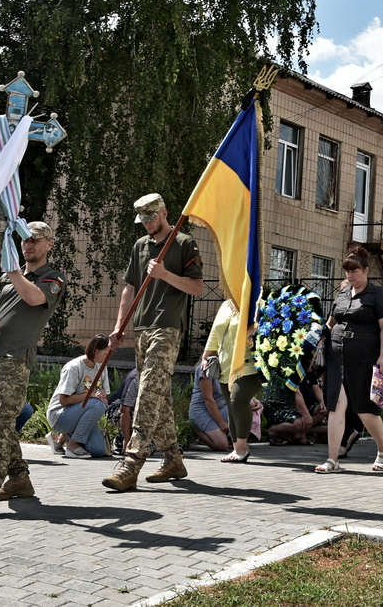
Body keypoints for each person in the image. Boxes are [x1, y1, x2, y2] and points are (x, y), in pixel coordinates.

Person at [102, 193, 204, 491]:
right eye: (143, 220)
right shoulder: (140, 246)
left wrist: (164, 274)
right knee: (161, 396)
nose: (147, 224)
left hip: (168, 328)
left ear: (164, 213)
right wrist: (119, 326)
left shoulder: (184, 243)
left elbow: (197, 288)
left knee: (147, 392)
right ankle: (173, 459)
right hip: (142, 328)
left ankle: (131, 462)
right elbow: (129, 288)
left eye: (150, 218)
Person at [0, 221, 66, 515]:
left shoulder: (52, 277)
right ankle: (19, 478)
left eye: (35, 240)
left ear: (49, 244)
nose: (28, 245)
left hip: (15, 359)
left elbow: (34, 298)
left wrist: (11, 270)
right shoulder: (8, 276)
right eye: (24, 241)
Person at [316, 246, 383, 473]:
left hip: (364, 358)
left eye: (355, 271)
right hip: (336, 356)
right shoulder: (342, 293)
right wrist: (319, 339)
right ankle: (332, 460)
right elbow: (331, 322)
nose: (350, 275)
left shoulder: (377, 294)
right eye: (347, 271)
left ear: (366, 270)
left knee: (364, 409)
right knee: (336, 407)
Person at [201, 299, 263, 463]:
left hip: (250, 365)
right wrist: (206, 356)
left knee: (237, 401)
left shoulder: (258, 302)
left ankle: (242, 448)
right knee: (231, 405)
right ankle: (238, 448)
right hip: (225, 365)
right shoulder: (226, 305)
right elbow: (215, 331)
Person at [47, 335, 112, 459]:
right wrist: (91, 395)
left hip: (81, 412)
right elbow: (63, 400)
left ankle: (60, 439)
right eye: (105, 353)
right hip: (59, 416)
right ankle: (72, 445)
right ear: (96, 351)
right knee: (98, 404)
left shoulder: (102, 367)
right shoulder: (74, 367)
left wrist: (102, 394)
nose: (108, 357)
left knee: (97, 450)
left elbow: (104, 393)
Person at [188, 349, 230, 452]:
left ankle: (235, 439)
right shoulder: (205, 368)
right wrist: (221, 423)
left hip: (221, 407)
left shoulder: (229, 367)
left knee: (249, 406)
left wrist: (253, 401)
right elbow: (208, 399)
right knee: (222, 445)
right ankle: (193, 427)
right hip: (202, 410)